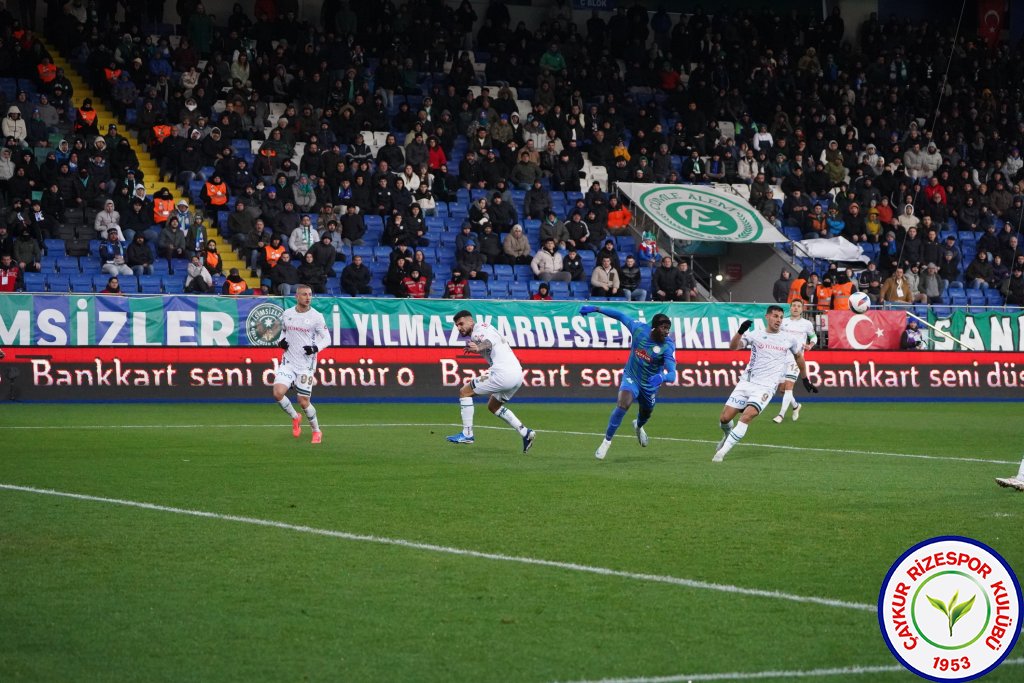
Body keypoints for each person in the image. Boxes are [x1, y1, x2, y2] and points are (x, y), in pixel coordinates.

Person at [713, 306, 818, 463]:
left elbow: (799, 358)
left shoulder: (789, 339)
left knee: (747, 416)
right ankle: (727, 434)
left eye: (781, 317)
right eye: (775, 316)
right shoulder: (755, 335)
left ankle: (721, 453)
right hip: (746, 382)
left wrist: (805, 379)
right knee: (724, 418)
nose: (778, 320)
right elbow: (733, 347)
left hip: (766, 387)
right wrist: (740, 331)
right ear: (767, 317)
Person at [580, 306, 676, 460]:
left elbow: (672, 374)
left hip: (650, 385)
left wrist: (662, 377)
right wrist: (596, 308)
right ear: (654, 327)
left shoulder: (668, 346)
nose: (666, 332)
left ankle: (638, 426)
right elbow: (619, 314)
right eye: (664, 328)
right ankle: (606, 442)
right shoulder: (639, 329)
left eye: (668, 329)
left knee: (646, 414)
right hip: (632, 376)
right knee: (623, 403)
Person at [446, 310, 536, 453]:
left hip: (503, 373)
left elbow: (489, 342)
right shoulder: (485, 327)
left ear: (470, 321)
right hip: (517, 374)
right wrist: (476, 346)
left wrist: (478, 347)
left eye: (461, 323)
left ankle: (467, 434)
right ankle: (525, 433)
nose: (459, 328)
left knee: (464, 392)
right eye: (457, 326)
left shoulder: (477, 332)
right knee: (493, 406)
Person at [273, 285, 330, 444]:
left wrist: (315, 348)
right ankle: (295, 417)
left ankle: (316, 430)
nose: (308, 297)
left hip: (306, 365)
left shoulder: (316, 317)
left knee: (303, 401)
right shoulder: (287, 314)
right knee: (277, 393)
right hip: (289, 361)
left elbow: (327, 339)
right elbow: (283, 332)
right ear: (296, 296)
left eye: (310, 294)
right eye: (304, 294)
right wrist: (280, 342)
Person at [772, 300, 818, 424]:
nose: (796, 308)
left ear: (802, 309)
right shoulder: (783, 322)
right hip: (782, 358)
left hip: (796, 358)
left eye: (798, 306)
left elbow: (814, 337)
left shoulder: (807, 324)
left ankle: (780, 415)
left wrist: (810, 345)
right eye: (794, 306)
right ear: (790, 308)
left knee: (788, 387)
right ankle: (796, 406)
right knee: (782, 389)